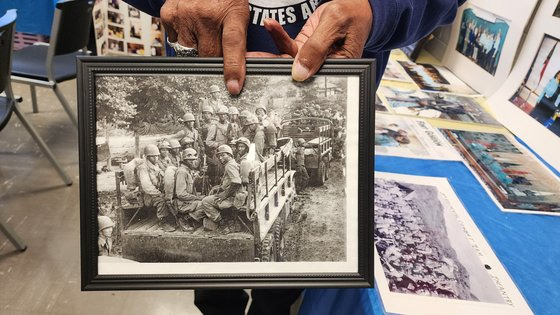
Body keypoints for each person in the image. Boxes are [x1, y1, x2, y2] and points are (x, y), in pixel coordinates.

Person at [122, 0, 466, 313]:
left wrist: (379, 10)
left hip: (336, 70)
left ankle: (274, 304)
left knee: (281, 286)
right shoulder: (211, 144)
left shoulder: (251, 143)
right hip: (204, 58)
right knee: (211, 285)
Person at [194, 145, 241, 233]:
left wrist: (223, 195)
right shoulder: (232, 164)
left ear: (230, 155)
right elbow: (230, 182)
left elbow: (236, 182)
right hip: (235, 194)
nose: (220, 157)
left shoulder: (230, 166)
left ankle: (222, 223)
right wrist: (219, 188)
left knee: (205, 201)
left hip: (233, 197)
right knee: (212, 194)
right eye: (219, 156)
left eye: (223, 155)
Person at [137, 144, 176, 232]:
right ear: (147, 157)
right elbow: (147, 187)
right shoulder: (143, 168)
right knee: (162, 200)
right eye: (152, 157)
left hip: (156, 192)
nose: (156, 159)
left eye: (157, 156)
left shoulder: (155, 166)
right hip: (147, 196)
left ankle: (173, 218)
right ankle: (163, 221)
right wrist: (160, 194)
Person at [174, 148, 205, 231]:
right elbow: (180, 194)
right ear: (184, 160)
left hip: (188, 201)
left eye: (194, 160)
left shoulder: (188, 171)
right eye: (190, 161)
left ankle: (192, 219)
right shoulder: (182, 172)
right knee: (206, 204)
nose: (193, 162)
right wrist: (197, 198)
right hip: (182, 203)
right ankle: (184, 219)